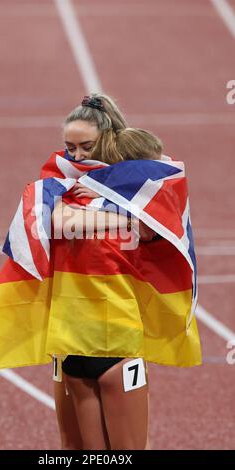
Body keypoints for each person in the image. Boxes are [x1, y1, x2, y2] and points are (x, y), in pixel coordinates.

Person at [52, 94, 164, 450]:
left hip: (117, 342)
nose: (78, 156)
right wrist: (124, 216)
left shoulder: (142, 190)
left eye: (87, 146)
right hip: (72, 342)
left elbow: (154, 226)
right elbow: (59, 222)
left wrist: (114, 199)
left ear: (110, 137)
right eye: (70, 147)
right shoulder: (64, 183)